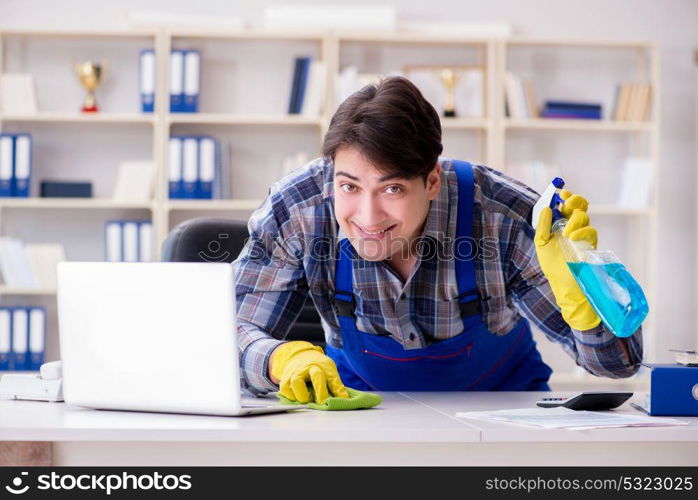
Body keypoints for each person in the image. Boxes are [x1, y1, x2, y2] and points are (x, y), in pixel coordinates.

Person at [232, 76, 642, 404]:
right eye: (349, 187)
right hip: (361, 407)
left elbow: (619, 366)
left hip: (502, 413)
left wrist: (584, 293)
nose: (368, 217)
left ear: (431, 181)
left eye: (392, 190)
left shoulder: (506, 217)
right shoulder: (298, 209)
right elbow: (224, 336)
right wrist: (277, 359)